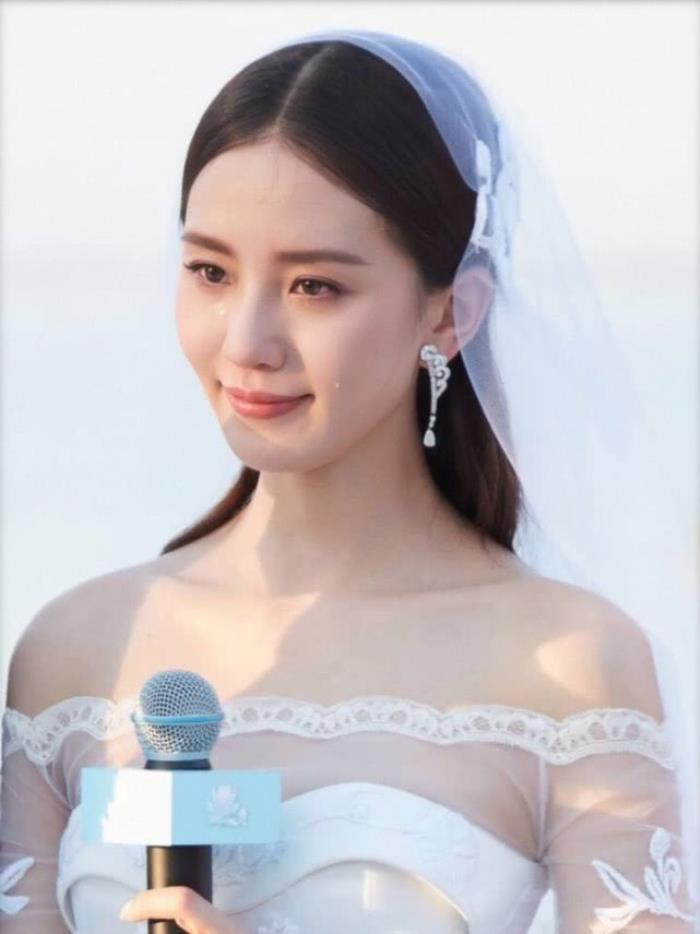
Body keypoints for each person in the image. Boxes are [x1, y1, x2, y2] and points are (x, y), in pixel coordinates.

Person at [1, 28, 697, 934]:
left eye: (315, 287)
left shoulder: (568, 661)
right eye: (210, 271)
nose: (245, 342)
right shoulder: (74, 649)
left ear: (453, 313)